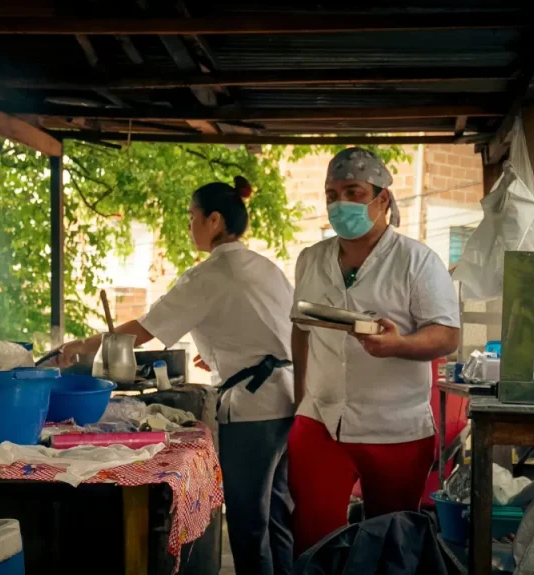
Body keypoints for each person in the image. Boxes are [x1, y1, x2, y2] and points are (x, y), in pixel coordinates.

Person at [57, 176, 296, 575]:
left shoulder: (207, 276)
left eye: (192, 217)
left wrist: (84, 344)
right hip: (287, 399)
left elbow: (145, 330)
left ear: (215, 220)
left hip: (254, 409)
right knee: (276, 515)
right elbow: (263, 329)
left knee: (247, 522)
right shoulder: (264, 266)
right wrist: (224, 355)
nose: (189, 226)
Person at [288, 148, 460, 556]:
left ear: (382, 199)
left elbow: (447, 335)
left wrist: (400, 345)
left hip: (395, 424)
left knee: (391, 540)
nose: (339, 203)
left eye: (353, 191)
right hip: (322, 419)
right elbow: (301, 329)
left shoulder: (417, 261)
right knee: (312, 537)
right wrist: (300, 398)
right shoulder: (311, 259)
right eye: (331, 194)